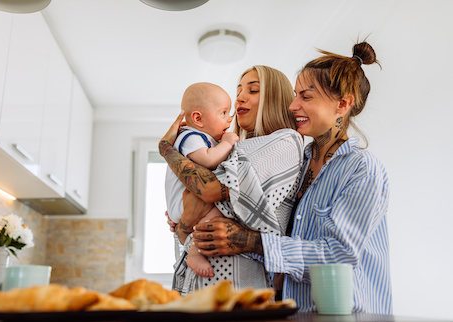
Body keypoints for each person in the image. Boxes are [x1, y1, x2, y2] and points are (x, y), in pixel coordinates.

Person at [182, 41, 392, 314]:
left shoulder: (361, 169)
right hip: (294, 311)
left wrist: (251, 241)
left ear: (342, 103)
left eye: (306, 96)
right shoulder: (300, 164)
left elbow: (338, 256)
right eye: (295, 95)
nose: (293, 106)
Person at [160, 65, 304, 295]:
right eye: (238, 91)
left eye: (253, 90)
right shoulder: (231, 149)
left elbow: (206, 192)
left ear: (274, 98)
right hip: (201, 286)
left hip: (234, 289)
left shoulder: (285, 141)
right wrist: (182, 224)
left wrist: (166, 148)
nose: (240, 98)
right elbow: (192, 211)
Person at [165, 82, 239, 278]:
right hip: (183, 204)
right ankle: (195, 252)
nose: (230, 119)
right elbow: (208, 160)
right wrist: (227, 143)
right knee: (220, 209)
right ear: (198, 118)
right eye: (223, 113)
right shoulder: (190, 136)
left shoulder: (201, 138)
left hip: (184, 206)